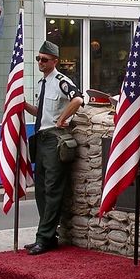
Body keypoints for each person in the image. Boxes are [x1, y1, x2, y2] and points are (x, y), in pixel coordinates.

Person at [23, 41, 83, 255]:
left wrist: (62, 119)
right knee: (41, 189)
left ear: (55, 61)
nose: (40, 62)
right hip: (41, 139)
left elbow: (77, 99)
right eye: (38, 58)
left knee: (52, 189)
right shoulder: (43, 82)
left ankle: (44, 237)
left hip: (54, 139)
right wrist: (22, 105)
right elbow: (41, 112)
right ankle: (48, 235)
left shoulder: (60, 81)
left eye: (44, 59)